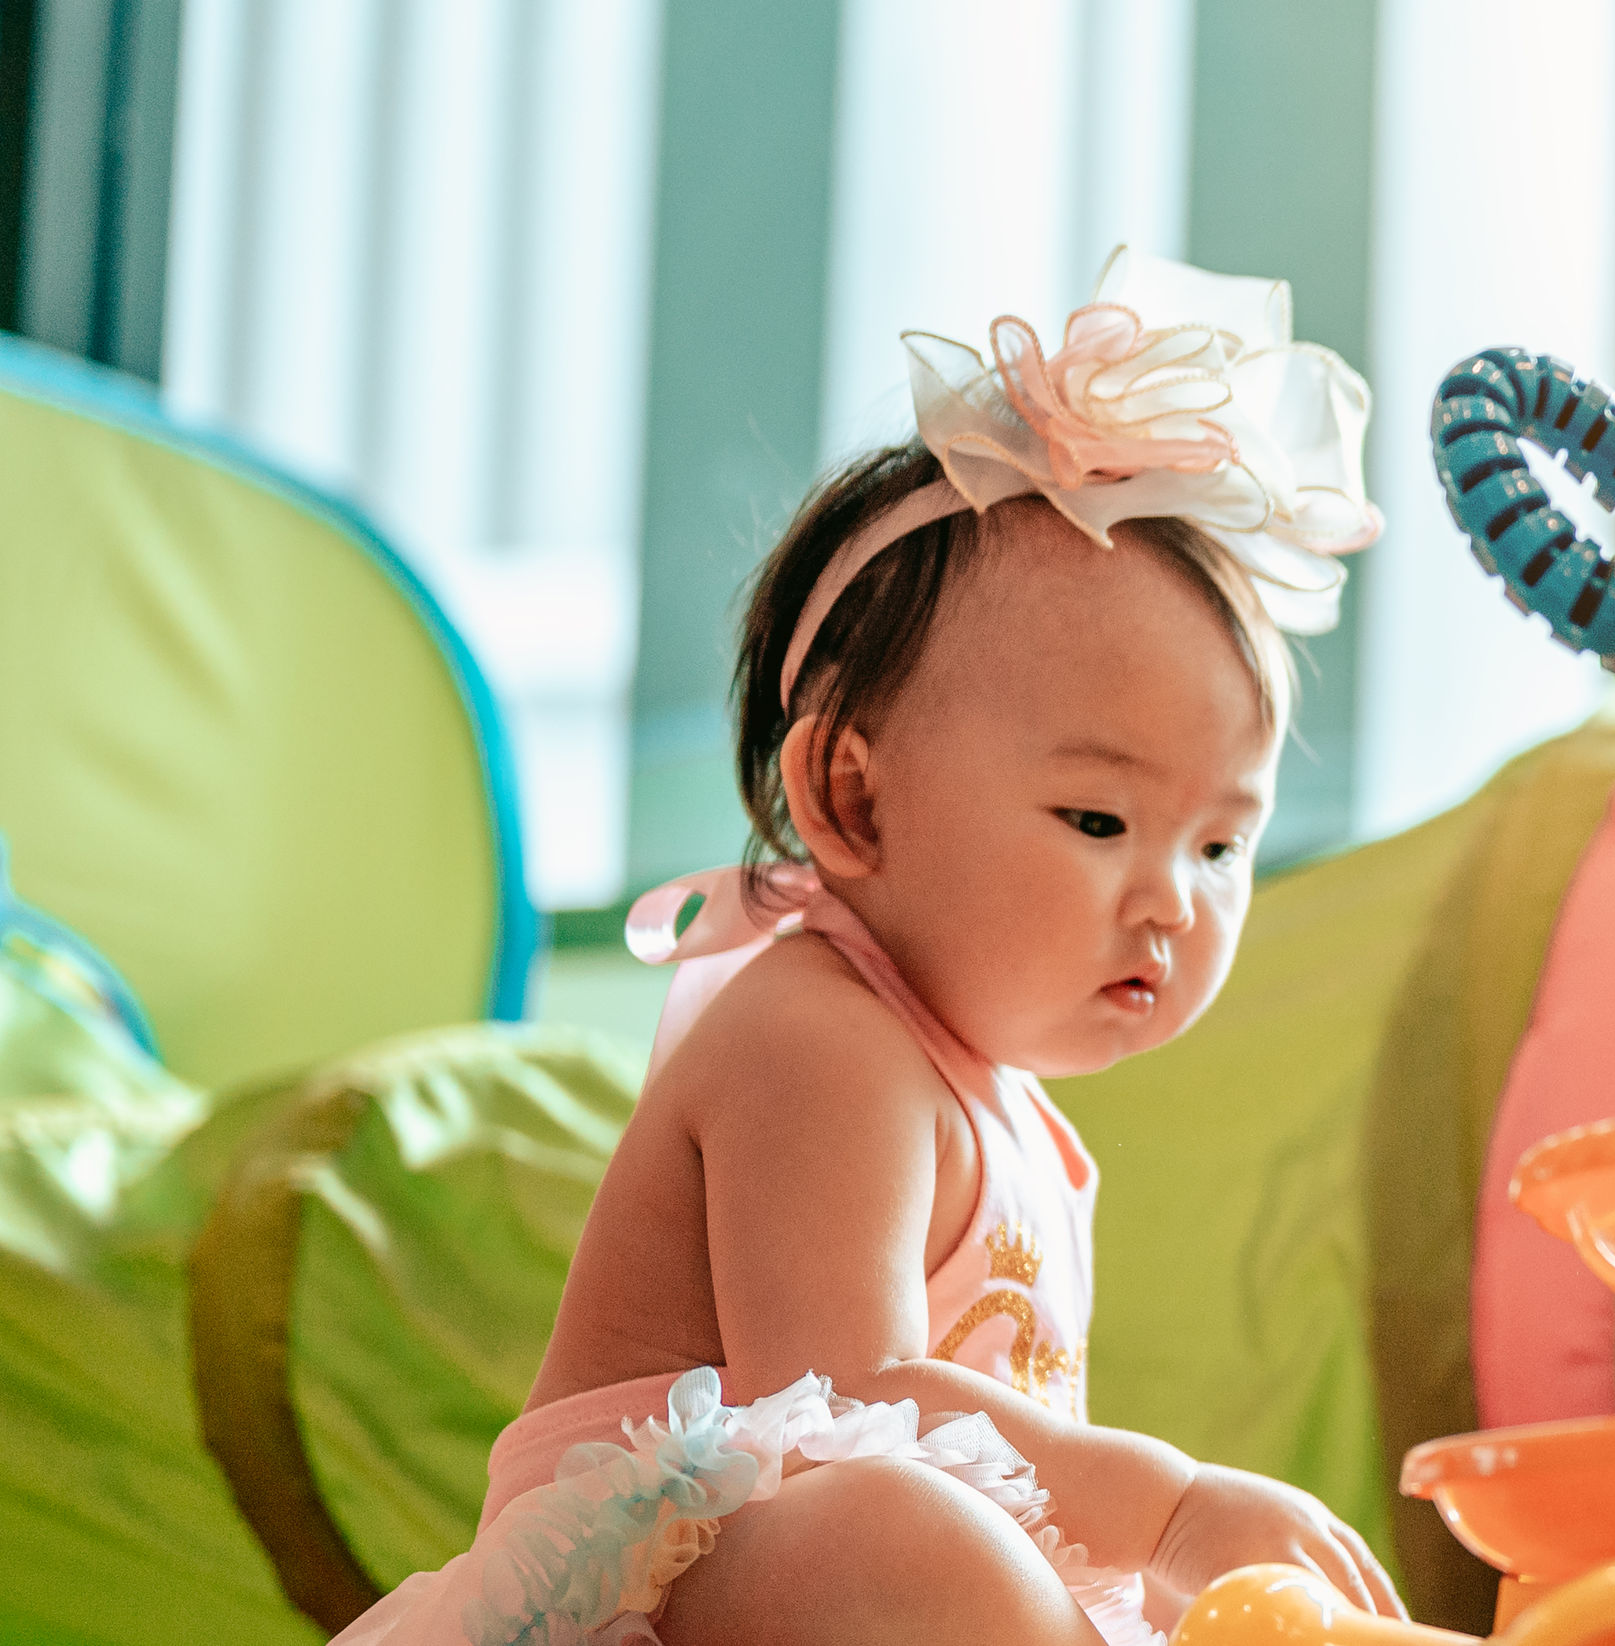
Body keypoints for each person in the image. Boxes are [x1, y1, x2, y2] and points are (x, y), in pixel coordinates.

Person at [337, 250, 1398, 1646]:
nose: (1174, 901)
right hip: (656, 1593)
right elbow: (842, 1401)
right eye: (1098, 816)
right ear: (850, 793)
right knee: (900, 1529)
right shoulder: (815, 1033)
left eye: (1219, 843)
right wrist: (1165, 1506)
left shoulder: (1019, 1118)